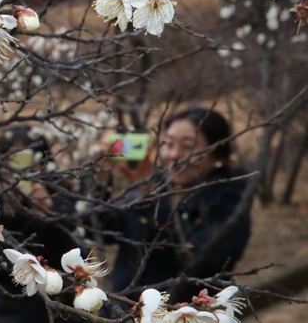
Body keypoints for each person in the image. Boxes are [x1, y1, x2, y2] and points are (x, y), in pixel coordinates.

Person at [101, 107, 251, 303]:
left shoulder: (231, 199)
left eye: (188, 146)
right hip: (123, 311)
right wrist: (100, 179)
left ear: (218, 154)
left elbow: (202, 259)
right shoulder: (156, 185)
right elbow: (101, 229)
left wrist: (149, 200)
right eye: (168, 144)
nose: (174, 155)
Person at [0, 126, 82, 323]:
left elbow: (79, 254)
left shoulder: (61, 201)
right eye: (11, 161)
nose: (19, 173)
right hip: (6, 312)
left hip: (61, 311)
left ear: (44, 163)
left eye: (28, 162)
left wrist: (49, 216)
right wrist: (5, 215)